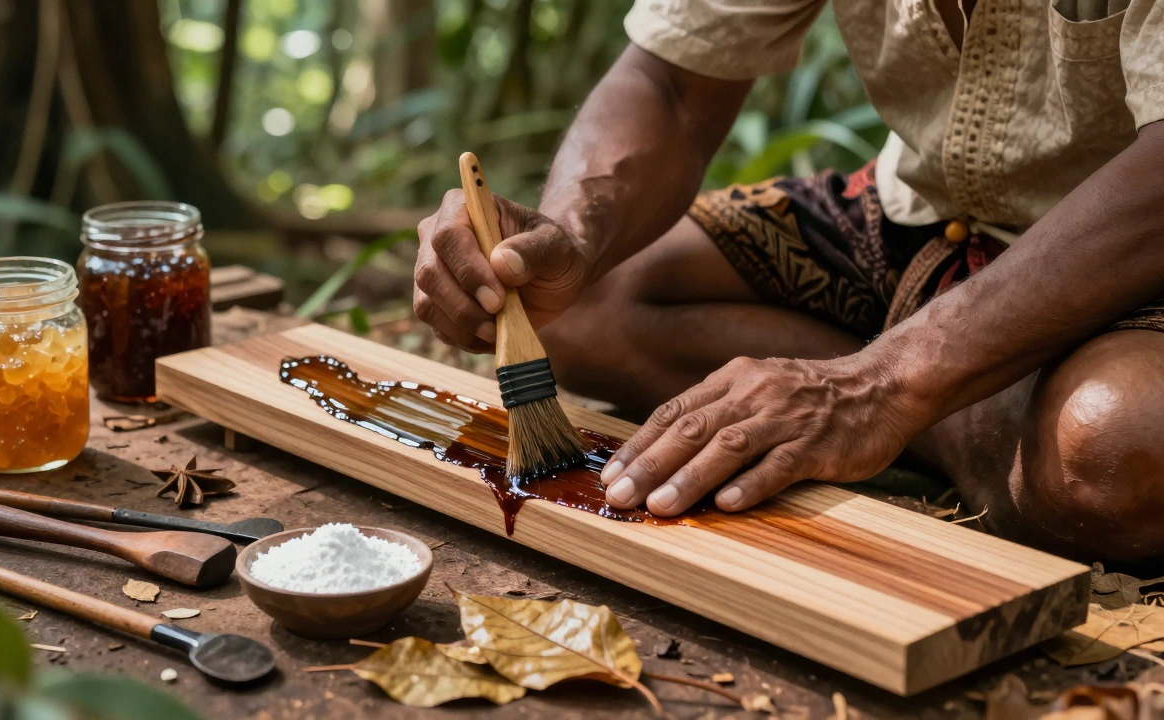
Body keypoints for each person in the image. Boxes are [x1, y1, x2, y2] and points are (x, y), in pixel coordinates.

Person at [414, 0, 1164, 564]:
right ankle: (965, 420)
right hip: (912, 217)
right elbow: (672, 85)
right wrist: (570, 235)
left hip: (1124, 249)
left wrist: (878, 383)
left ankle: (916, 402)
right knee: (579, 305)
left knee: (1113, 454)